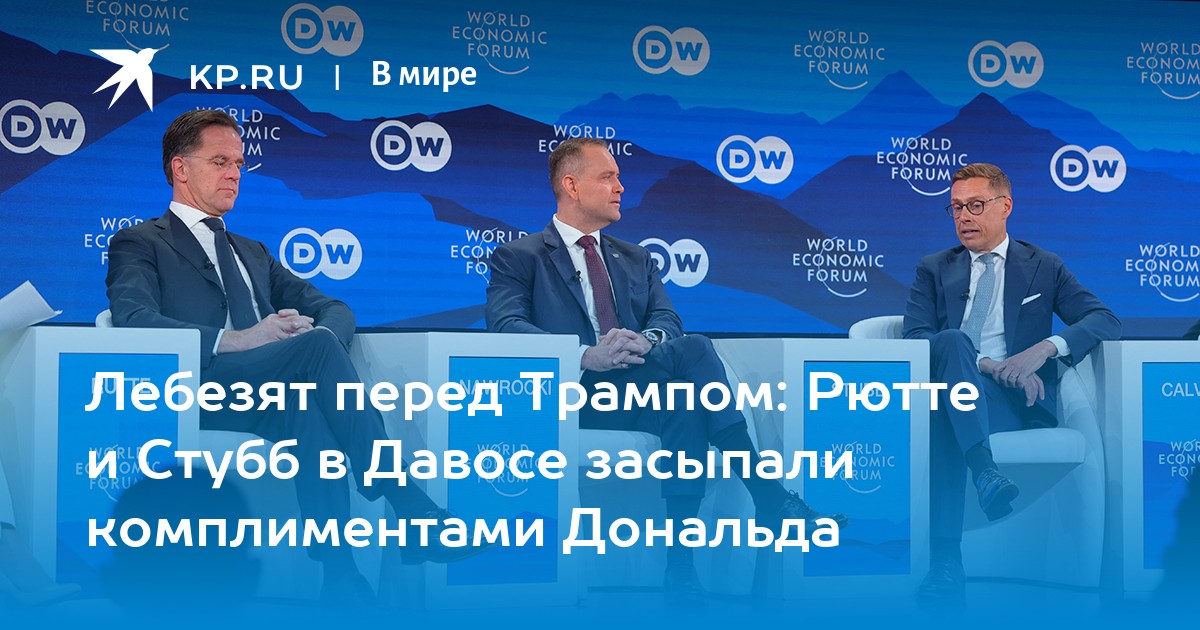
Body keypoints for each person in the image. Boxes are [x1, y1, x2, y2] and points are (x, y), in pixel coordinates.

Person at [105, 109, 487, 606]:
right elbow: (133, 319)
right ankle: (410, 506)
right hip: (195, 388)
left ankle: (339, 574)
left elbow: (335, 309)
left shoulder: (251, 252)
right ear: (180, 168)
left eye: (239, 163)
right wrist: (239, 339)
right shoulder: (139, 242)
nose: (234, 173)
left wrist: (314, 338)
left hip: (266, 392)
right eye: (220, 161)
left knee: (310, 406)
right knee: (314, 354)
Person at [485, 137, 847, 605]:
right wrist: (584, 355)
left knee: (686, 401)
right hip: (572, 396)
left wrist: (648, 340)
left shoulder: (635, 257)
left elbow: (667, 320)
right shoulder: (521, 256)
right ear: (571, 186)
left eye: (618, 177)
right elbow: (505, 326)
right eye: (607, 177)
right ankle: (768, 495)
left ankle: (681, 569)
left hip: (634, 386)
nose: (620, 187)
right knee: (695, 354)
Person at [902, 163, 1120, 611]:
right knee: (951, 349)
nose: (964, 217)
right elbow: (916, 336)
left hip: (1010, 401)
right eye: (956, 208)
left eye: (975, 205)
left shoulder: (1044, 266)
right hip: (956, 383)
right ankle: (984, 472)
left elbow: (1104, 319)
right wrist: (982, 361)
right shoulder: (934, 269)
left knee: (946, 408)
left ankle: (946, 563)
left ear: (1006, 207)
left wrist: (1043, 350)